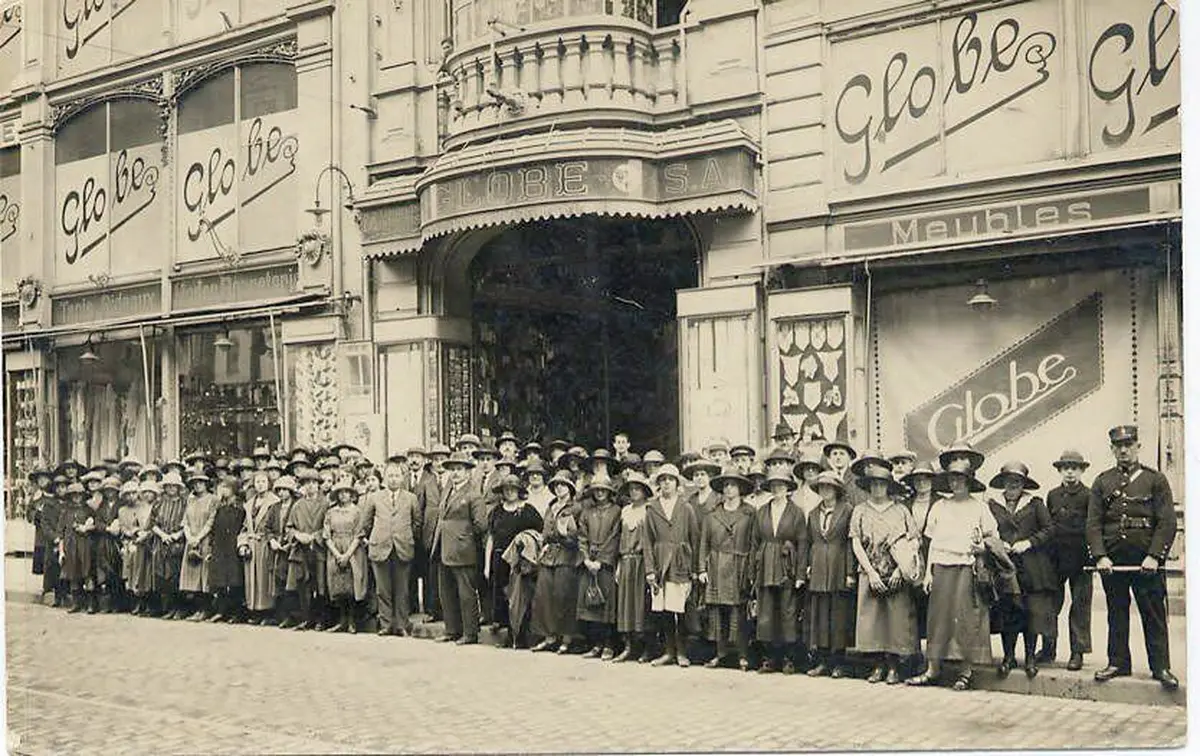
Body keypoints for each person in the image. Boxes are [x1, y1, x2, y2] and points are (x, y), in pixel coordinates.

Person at [1086, 425, 1178, 690]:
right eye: (1119, 446)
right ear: (1112, 449)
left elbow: (1167, 522)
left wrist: (1154, 556)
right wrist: (1101, 557)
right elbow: (1093, 523)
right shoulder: (1102, 481)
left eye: (1129, 445)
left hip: (1145, 563)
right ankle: (1118, 662)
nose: (1124, 450)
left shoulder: (1155, 479)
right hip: (1113, 562)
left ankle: (1160, 666)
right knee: (1116, 612)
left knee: (1153, 613)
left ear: (1138, 446)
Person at [908, 444, 996, 692]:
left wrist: (981, 548)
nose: (956, 483)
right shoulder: (940, 506)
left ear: (969, 481)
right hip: (941, 567)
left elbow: (991, 538)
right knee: (938, 618)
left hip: (966, 568)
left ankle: (965, 672)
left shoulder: (980, 507)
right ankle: (932, 669)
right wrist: (928, 574)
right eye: (952, 479)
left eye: (960, 479)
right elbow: (933, 542)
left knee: (965, 618)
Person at [849, 453, 919, 684]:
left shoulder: (901, 510)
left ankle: (893, 666)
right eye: (874, 484)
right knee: (873, 620)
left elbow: (914, 540)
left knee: (896, 620)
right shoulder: (860, 510)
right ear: (868, 487)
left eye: (882, 484)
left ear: (889, 486)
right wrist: (869, 572)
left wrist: (901, 569)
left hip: (895, 571)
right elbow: (856, 541)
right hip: (871, 571)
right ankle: (877, 665)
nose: (878, 488)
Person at [987, 461, 1056, 679]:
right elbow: (985, 528)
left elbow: (1049, 529)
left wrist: (1029, 542)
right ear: (1003, 483)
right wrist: (998, 543)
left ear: (1024, 484)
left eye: (1017, 481)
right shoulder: (992, 505)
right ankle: (1008, 657)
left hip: (1032, 566)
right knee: (1008, 611)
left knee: (1030, 612)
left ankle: (1030, 658)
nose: (1013, 485)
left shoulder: (1035, 504)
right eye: (1009, 481)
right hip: (1004, 565)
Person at [749, 464, 807, 674]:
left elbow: (802, 543)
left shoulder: (797, 512)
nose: (777, 489)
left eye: (781, 485)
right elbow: (754, 543)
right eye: (773, 486)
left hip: (787, 566)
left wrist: (800, 574)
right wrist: (752, 572)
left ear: (788, 488)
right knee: (766, 612)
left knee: (788, 611)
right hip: (765, 564)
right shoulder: (762, 511)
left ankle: (789, 658)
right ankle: (768, 658)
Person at [643, 463, 700, 668]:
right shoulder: (652, 508)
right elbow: (647, 541)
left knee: (680, 608)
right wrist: (650, 570)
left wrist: (695, 569)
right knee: (664, 609)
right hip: (659, 564)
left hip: (680, 563)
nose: (666, 483)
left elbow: (695, 539)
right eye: (663, 480)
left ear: (677, 483)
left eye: (670, 479)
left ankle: (682, 652)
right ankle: (668, 651)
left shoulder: (686, 508)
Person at [699, 467, 756, 671]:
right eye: (726, 485)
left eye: (733, 485)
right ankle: (720, 653)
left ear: (740, 489)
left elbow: (754, 543)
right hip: (715, 565)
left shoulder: (750, 513)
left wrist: (751, 570)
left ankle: (742, 655)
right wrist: (701, 570)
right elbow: (703, 543)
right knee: (717, 611)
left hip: (740, 566)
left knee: (738, 610)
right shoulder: (712, 514)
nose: (729, 489)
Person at [360, 460, 421, 637]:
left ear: (403, 478)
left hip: (403, 546)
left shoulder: (411, 498)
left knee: (402, 589)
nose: (393, 479)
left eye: (397, 475)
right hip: (380, 546)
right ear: (384, 478)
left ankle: (401, 624)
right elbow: (366, 522)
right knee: (383, 589)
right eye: (390, 476)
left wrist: (406, 536)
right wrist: (372, 538)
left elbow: (417, 522)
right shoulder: (375, 497)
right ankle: (386, 624)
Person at [433, 451, 489, 645]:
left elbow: (481, 525)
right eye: (452, 470)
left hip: (464, 550)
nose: (455, 473)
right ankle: (452, 630)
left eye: (459, 469)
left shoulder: (474, 494)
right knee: (447, 592)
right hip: (444, 547)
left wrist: (464, 536)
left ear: (467, 472)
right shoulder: (448, 491)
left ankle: (470, 633)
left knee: (466, 594)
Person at [1045, 449, 1093, 670]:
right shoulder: (1052, 495)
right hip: (1056, 558)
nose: (1070, 473)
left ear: (1082, 471)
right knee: (1051, 604)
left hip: (1081, 558)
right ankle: (1048, 648)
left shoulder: (1090, 495)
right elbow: (1048, 527)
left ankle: (1077, 652)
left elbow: (1094, 527)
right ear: (1059, 471)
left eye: (1074, 468)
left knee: (1080, 605)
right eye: (1066, 468)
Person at [804, 471, 856, 678]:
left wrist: (850, 571)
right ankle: (823, 661)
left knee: (838, 615)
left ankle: (839, 663)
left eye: (829, 487)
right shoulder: (813, 513)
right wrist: (808, 566)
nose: (825, 490)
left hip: (838, 565)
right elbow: (809, 542)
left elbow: (851, 543)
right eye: (822, 487)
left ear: (837, 489)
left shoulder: (847, 510)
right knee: (821, 616)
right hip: (818, 567)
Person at [485, 474, 544, 647]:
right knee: (503, 596)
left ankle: (521, 637)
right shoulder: (497, 511)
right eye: (506, 489)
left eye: (513, 489)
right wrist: (487, 565)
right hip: (499, 559)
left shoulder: (528, 511)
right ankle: (509, 637)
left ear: (519, 491)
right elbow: (491, 537)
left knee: (520, 597)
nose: (510, 492)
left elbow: (539, 536)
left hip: (520, 562)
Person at [531, 471, 583, 653]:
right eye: (556, 485)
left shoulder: (576, 508)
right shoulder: (551, 506)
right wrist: (543, 544)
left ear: (570, 488)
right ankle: (549, 636)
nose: (559, 488)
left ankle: (567, 638)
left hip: (567, 556)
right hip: (549, 556)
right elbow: (545, 532)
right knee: (543, 595)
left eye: (563, 484)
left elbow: (577, 538)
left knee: (564, 596)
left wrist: (564, 535)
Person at [577, 477, 622, 660]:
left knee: (607, 604)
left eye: (603, 490)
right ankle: (596, 644)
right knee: (590, 604)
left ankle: (609, 645)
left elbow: (615, 536)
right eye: (597, 490)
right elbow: (581, 536)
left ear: (610, 492)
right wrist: (586, 558)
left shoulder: (616, 511)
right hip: (589, 562)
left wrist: (602, 561)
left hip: (606, 565)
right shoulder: (587, 512)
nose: (600, 493)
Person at [613, 472, 654, 663]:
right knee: (625, 605)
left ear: (645, 491)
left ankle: (646, 647)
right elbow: (620, 537)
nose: (634, 492)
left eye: (638, 489)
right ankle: (628, 646)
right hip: (626, 561)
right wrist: (619, 564)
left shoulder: (649, 510)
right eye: (631, 489)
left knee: (642, 605)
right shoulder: (625, 511)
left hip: (642, 562)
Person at [284, 468, 329, 631]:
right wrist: (297, 535)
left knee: (321, 584)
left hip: (319, 549)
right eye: (307, 483)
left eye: (313, 483)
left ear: (318, 485)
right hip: (301, 550)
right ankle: (306, 618)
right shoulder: (297, 505)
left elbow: (329, 525)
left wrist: (315, 536)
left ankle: (321, 619)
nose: (310, 486)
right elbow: (289, 527)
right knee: (304, 584)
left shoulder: (326, 503)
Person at [324, 479, 369, 633]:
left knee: (352, 585)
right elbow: (326, 535)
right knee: (338, 586)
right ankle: (341, 620)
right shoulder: (331, 512)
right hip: (335, 547)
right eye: (340, 493)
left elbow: (359, 534)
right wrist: (337, 554)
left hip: (353, 549)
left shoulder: (357, 511)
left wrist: (347, 554)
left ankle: (352, 621)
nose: (343, 495)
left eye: (346, 492)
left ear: (351, 495)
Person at [240, 470, 280, 625]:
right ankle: (254, 610)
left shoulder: (274, 502)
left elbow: (276, 526)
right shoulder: (249, 504)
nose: (260, 485)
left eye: (263, 481)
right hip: (251, 544)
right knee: (251, 579)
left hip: (265, 544)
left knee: (265, 578)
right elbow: (244, 527)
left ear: (269, 483)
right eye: (257, 482)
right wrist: (243, 543)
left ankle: (267, 612)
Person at [179, 471, 218, 621]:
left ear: (206, 484)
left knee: (204, 576)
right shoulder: (191, 501)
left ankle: (205, 609)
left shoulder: (213, 500)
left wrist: (199, 537)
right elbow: (185, 521)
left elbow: (211, 521)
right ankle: (195, 608)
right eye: (195, 483)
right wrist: (190, 537)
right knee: (191, 577)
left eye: (201, 482)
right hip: (192, 542)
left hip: (205, 540)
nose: (198, 485)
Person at [207, 478, 246, 624]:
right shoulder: (220, 508)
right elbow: (214, 528)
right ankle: (221, 611)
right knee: (220, 580)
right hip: (220, 545)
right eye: (222, 487)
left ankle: (236, 613)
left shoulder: (240, 508)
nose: (223, 490)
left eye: (226, 487)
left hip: (233, 545)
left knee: (235, 580)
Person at [152, 471, 189, 619]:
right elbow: (152, 523)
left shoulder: (184, 503)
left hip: (178, 542)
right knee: (162, 576)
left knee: (176, 576)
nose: (172, 488)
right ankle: (167, 608)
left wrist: (177, 535)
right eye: (169, 486)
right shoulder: (159, 503)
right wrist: (163, 535)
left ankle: (180, 609)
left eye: (175, 486)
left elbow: (187, 522)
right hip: (162, 542)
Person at [269, 476, 301, 628]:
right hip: (277, 549)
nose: (282, 493)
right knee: (279, 580)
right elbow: (267, 528)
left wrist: (290, 543)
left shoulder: (296, 506)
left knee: (292, 582)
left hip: (293, 548)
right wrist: (272, 541)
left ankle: (294, 616)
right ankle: (282, 615)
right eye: (279, 490)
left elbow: (298, 526)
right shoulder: (274, 508)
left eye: (285, 490)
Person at [127, 480, 159, 615]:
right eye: (145, 492)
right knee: (139, 573)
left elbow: (157, 524)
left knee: (150, 574)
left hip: (152, 543)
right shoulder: (139, 508)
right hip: (140, 544)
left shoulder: (157, 507)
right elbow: (133, 525)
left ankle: (152, 605)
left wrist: (147, 534)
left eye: (150, 492)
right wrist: (137, 532)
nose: (147, 495)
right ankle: (141, 602)